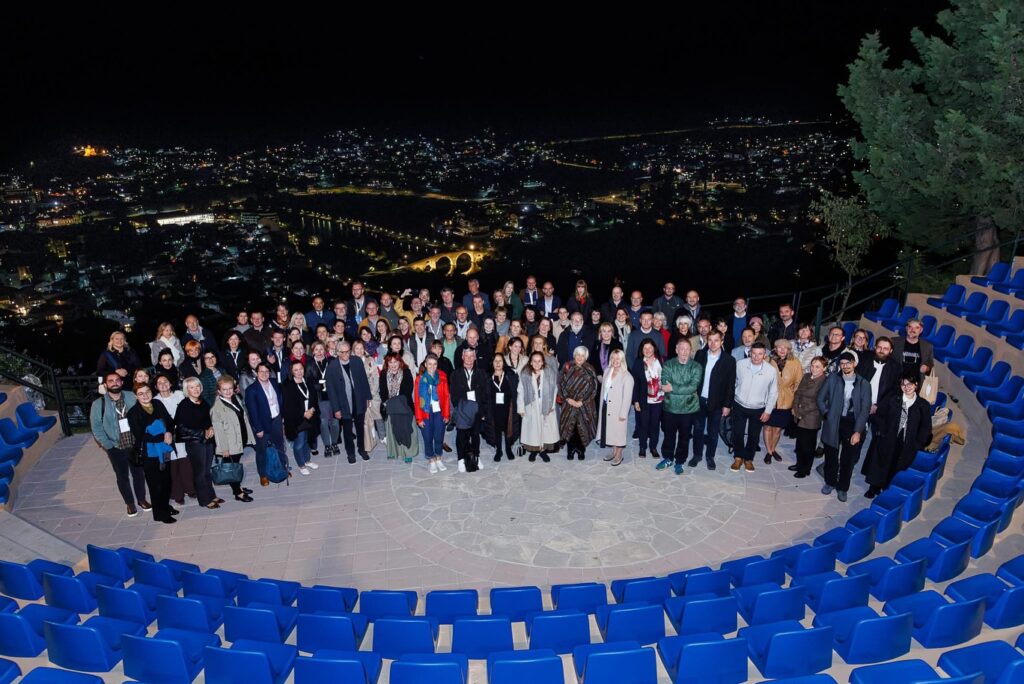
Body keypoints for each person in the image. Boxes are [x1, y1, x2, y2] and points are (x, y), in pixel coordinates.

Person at [90, 372, 148, 517]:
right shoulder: (98, 404)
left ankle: (141, 499)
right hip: (115, 446)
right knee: (122, 476)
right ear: (105, 385)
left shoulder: (132, 397)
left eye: (117, 380)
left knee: (138, 473)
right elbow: (96, 427)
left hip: (134, 443)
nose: (115, 383)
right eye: (111, 381)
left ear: (122, 382)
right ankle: (129, 503)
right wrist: (107, 445)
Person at [865, 374, 932, 498]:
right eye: (903, 384)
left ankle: (888, 489)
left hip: (908, 441)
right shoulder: (893, 399)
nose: (907, 387)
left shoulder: (923, 405)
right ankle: (875, 487)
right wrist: (883, 430)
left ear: (916, 385)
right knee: (882, 462)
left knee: (897, 466)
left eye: (910, 384)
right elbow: (879, 415)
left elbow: (926, 427)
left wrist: (918, 443)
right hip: (889, 436)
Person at [817, 351, 871, 502]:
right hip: (833, 421)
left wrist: (858, 431)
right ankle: (830, 482)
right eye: (842, 363)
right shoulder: (832, 379)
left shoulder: (864, 384)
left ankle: (842, 488)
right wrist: (826, 414)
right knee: (831, 455)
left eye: (848, 363)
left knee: (848, 459)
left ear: (854, 364)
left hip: (852, 423)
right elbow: (820, 398)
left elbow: (865, 410)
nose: (845, 366)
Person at [127, 383, 176, 524]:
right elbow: (140, 435)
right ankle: (160, 514)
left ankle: (165, 506)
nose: (145, 395)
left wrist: (169, 432)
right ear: (136, 396)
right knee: (156, 484)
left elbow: (169, 421)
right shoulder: (133, 413)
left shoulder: (157, 403)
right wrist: (162, 437)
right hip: (149, 453)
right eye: (141, 393)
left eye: (147, 391)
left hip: (164, 449)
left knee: (167, 481)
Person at [690, 330, 736, 470]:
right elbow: (694, 376)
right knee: (697, 429)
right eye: (710, 340)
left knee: (713, 432)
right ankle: (697, 455)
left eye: (716, 340)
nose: (713, 343)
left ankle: (710, 457)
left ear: (722, 341)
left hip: (717, 402)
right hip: (699, 400)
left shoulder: (729, 360)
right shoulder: (700, 354)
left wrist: (727, 405)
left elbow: (730, 385)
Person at [858, 336, 902, 478]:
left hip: (881, 409)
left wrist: (878, 406)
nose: (882, 351)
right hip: (861, 404)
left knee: (878, 442)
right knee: (857, 436)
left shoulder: (896, 368)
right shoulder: (864, 359)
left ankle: (870, 471)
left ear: (891, 351)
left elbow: (894, 391)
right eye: (879, 347)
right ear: (875, 347)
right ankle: (851, 462)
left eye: (886, 349)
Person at [730, 343, 779, 472]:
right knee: (738, 433)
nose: (756, 357)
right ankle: (738, 457)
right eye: (754, 353)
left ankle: (748, 459)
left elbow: (773, 392)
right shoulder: (740, 364)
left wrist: (768, 411)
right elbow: (733, 382)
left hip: (758, 408)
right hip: (739, 404)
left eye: (760, 354)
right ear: (750, 353)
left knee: (753, 435)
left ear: (764, 355)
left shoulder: (770, 370)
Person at [657, 338, 703, 475]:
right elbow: (665, 383)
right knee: (669, 435)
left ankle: (680, 461)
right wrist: (682, 388)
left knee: (684, 437)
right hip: (670, 407)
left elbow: (693, 387)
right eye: (681, 349)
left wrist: (673, 388)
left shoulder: (696, 366)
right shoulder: (668, 365)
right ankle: (668, 458)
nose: (684, 352)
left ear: (691, 350)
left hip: (688, 408)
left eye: (687, 349)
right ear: (676, 350)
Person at [175, 377, 221, 509]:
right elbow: (181, 428)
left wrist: (211, 428)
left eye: (197, 386)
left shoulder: (202, 401)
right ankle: (204, 500)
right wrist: (202, 433)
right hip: (195, 443)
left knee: (207, 471)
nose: (196, 389)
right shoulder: (184, 405)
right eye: (192, 387)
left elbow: (207, 419)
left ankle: (211, 495)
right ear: (186, 390)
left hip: (208, 440)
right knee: (199, 472)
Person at [209, 376, 256, 501]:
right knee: (231, 468)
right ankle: (238, 493)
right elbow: (219, 432)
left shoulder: (235, 398)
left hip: (239, 439)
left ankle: (238, 487)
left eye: (230, 388)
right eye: (224, 389)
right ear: (219, 391)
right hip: (229, 445)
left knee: (235, 464)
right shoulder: (217, 408)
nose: (228, 391)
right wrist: (224, 449)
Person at [325, 341, 373, 463]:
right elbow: (331, 390)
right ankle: (350, 453)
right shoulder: (332, 367)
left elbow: (364, 380)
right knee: (347, 431)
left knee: (360, 428)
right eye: (342, 352)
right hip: (343, 404)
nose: (346, 354)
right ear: (337, 353)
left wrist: (368, 397)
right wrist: (336, 409)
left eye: (348, 351)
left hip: (359, 400)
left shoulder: (357, 361)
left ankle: (362, 450)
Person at [244, 362, 287, 486]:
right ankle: (262, 474)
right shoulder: (251, 390)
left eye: (266, 371)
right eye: (261, 371)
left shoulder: (274, 382)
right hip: (262, 424)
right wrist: (258, 429)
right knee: (262, 450)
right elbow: (252, 412)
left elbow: (280, 399)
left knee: (280, 446)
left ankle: (282, 468)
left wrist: (282, 417)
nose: (264, 374)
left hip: (276, 419)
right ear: (256, 373)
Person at [449, 348, 490, 472]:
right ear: (462, 357)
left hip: (477, 409)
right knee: (461, 435)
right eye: (466, 356)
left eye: (471, 356)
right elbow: (454, 395)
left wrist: (483, 411)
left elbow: (485, 393)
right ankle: (461, 459)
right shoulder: (455, 374)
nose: (469, 359)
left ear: (475, 358)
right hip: (462, 410)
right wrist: (463, 407)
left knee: (475, 435)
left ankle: (476, 456)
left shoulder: (482, 373)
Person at [763, 338, 802, 464]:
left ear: (789, 350)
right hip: (770, 398)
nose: (782, 350)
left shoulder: (795, 362)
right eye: (780, 347)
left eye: (785, 348)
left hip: (786, 399)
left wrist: (793, 395)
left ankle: (773, 449)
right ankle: (769, 452)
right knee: (768, 427)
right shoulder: (768, 360)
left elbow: (799, 382)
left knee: (778, 429)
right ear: (775, 348)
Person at [517, 351, 560, 461]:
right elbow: (520, 391)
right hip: (531, 405)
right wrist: (521, 407)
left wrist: (552, 406)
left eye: (539, 361)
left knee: (545, 429)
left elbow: (554, 389)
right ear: (531, 362)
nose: (537, 363)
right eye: (534, 361)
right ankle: (534, 450)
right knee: (533, 430)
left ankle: (542, 450)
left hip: (545, 404)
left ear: (542, 362)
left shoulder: (549, 372)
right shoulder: (525, 374)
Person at [559, 346, 599, 461]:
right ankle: (570, 449)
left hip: (585, 405)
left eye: (583, 355)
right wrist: (568, 399)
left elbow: (594, 388)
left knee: (582, 427)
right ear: (574, 355)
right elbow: (560, 383)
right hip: (569, 404)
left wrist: (582, 401)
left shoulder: (590, 369)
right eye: (578, 354)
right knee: (570, 428)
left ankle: (581, 450)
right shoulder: (567, 366)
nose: (580, 357)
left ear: (586, 357)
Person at [791, 357, 827, 478]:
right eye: (812, 365)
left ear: (824, 368)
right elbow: (798, 393)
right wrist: (795, 408)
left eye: (817, 367)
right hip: (799, 413)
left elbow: (818, 401)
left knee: (808, 446)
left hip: (811, 417)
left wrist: (801, 411)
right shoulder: (806, 376)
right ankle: (799, 464)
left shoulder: (824, 381)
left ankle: (805, 469)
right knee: (799, 443)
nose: (814, 369)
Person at [414, 354, 451, 473]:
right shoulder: (420, 379)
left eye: (434, 364)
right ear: (425, 364)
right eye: (429, 364)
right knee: (428, 436)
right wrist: (419, 418)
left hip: (439, 411)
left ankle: (438, 457)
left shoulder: (442, 377)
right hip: (425, 412)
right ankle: (431, 459)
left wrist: (446, 414)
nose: (432, 367)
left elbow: (446, 397)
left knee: (439, 435)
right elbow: (417, 399)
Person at [281, 360, 320, 475]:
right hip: (296, 419)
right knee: (299, 444)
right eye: (296, 370)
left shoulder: (308, 381)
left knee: (308, 441)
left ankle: (307, 460)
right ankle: (301, 465)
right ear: (292, 372)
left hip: (310, 416)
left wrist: (312, 409)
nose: (299, 372)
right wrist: (303, 413)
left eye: (301, 369)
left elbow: (314, 398)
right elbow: (288, 407)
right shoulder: (287, 386)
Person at [598, 349, 635, 466]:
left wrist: (623, 413)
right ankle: (614, 452)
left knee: (619, 432)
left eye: (618, 358)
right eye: (613, 358)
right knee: (610, 430)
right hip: (606, 405)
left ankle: (619, 454)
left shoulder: (627, 376)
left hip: (618, 408)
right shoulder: (607, 371)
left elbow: (627, 398)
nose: (615, 361)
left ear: (622, 360)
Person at [379, 353, 418, 462]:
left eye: (395, 361)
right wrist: (388, 403)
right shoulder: (383, 373)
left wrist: (396, 402)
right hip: (390, 406)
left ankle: (408, 453)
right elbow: (383, 391)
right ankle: (393, 452)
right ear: (387, 363)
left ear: (400, 362)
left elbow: (408, 390)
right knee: (392, 430)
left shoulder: (406, 372)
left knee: (407, 430)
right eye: (390, 362)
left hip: (404, 406)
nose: (393, 364)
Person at [631, 339, 665, 458]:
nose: (648, 350)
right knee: (643, 424)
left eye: (650, 348)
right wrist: (635, 401)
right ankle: (642, 447)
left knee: (655, 425)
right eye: (645, 348)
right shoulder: (638, 363)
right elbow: (635, 383)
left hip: (659, 399)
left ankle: (653, 447)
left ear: (654, 348)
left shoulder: (661, 360)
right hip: (643, 399)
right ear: (641, 350)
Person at [483, 353, 519, 462]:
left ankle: (508, 449)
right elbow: (484, 396)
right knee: (496, 430)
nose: (498, 363)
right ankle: (499, 450)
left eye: (500, 361)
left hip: (508, 408)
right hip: (494, 409)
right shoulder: (487, 378)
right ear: (492, 363)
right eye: (495, 361)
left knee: (509, 429)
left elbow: (516, 393)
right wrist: (484, 412)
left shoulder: (511, 376)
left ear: (504, 363)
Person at [306, 342, 340, 457]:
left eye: (321, 349)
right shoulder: (309, 364)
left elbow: (338, 378)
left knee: (335, 422)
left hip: (333, 396)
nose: (319, 352)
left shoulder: (332, 361)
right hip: (319, 398)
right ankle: (327, 445)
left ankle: (334, 443)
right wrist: (320, 386)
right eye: (316, 350)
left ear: (325, 350)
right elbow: (309, 383)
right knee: (324, 422)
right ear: (313, 351)